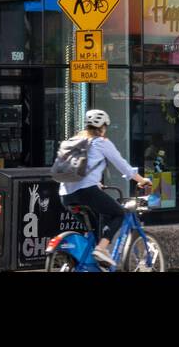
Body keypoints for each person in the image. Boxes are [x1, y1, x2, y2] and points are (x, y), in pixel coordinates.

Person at [58, 109, 152, 268]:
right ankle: (102, 249)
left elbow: (76, 169)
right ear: (103, 127)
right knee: (118, 213)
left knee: (96, 229)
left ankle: (88, 264)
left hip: (65, 195)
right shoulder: (101, 142)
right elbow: (123, 166)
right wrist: (141, 180)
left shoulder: (74, 141)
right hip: (86, 192)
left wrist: (95, 183)